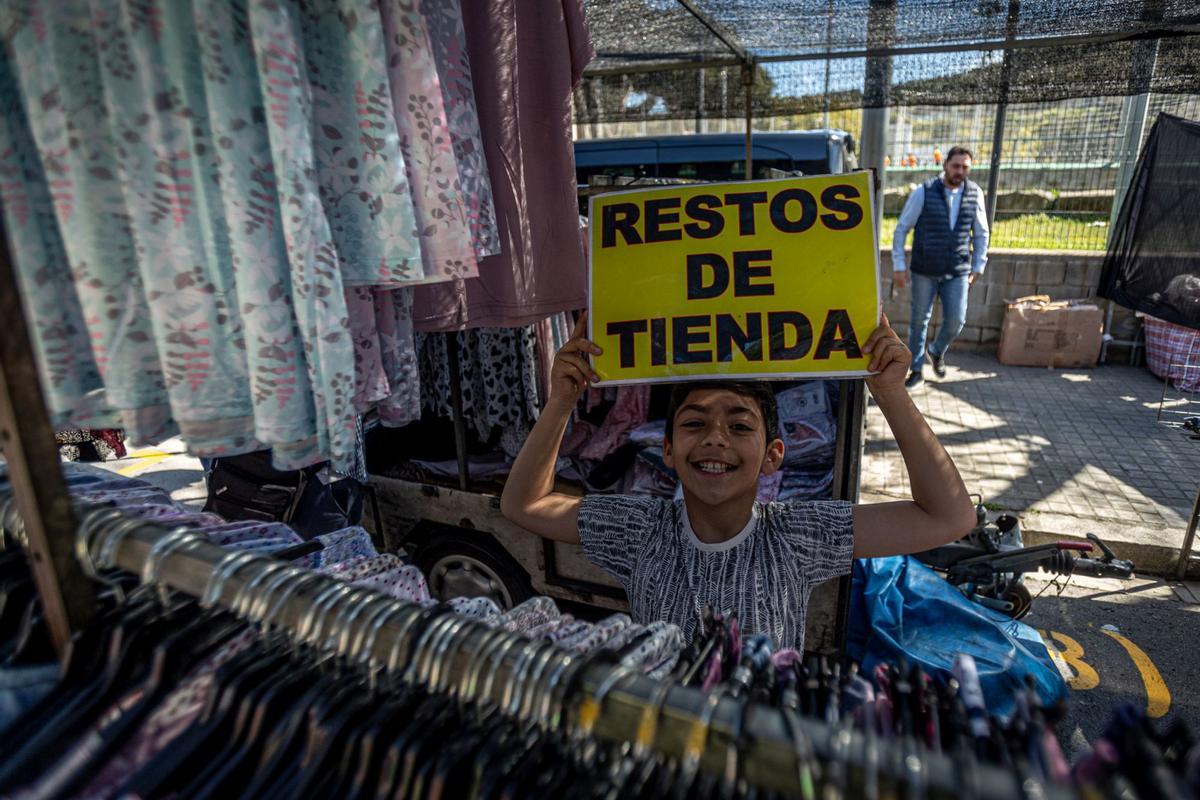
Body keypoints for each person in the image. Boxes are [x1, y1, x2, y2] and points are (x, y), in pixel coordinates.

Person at [500, 312, 975, 650]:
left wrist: (890, 393)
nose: (715, 439)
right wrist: (562, 400)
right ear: (666, 450)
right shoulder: (639, 527)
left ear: (773, 457)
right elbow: (525, 504)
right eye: (693, 423)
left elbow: (948, 516)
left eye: (740, 426)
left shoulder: (795, 534)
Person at [892, 145, 990, 389]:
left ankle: (936, 350)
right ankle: (915, 370)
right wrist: (899, 265)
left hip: (958, 270)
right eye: (956, 166)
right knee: (918, 321)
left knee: (956, 319)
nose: (960, 171)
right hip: (925, 268)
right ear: (945, 165)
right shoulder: (923, 192)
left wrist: (979, 265)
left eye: (965, 167)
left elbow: (981, 233)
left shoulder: (975, 193)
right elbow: (902, 228)